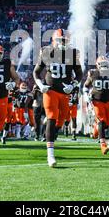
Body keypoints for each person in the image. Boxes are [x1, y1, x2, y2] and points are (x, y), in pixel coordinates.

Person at [33, 29, 83, 167]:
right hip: (50, 90)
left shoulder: (73, 53)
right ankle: (51, 155)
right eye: (60, 40)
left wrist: (73, 85)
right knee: (52, 116)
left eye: (65, 41)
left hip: (65, 92)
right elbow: (36, 72)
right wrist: (40, 84)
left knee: (63, 118)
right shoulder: (46, 51)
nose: (63, 43)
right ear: (54, 40)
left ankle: (52, 132)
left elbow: (79, 73)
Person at [83, 55, 109, 154]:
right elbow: (86, 86)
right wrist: (85, 95)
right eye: (102, 64)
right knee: (102, 120)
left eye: (105, 64)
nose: (104, 67)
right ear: (98, 65)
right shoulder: (93, 73)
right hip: (97, 101)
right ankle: (103, 145)